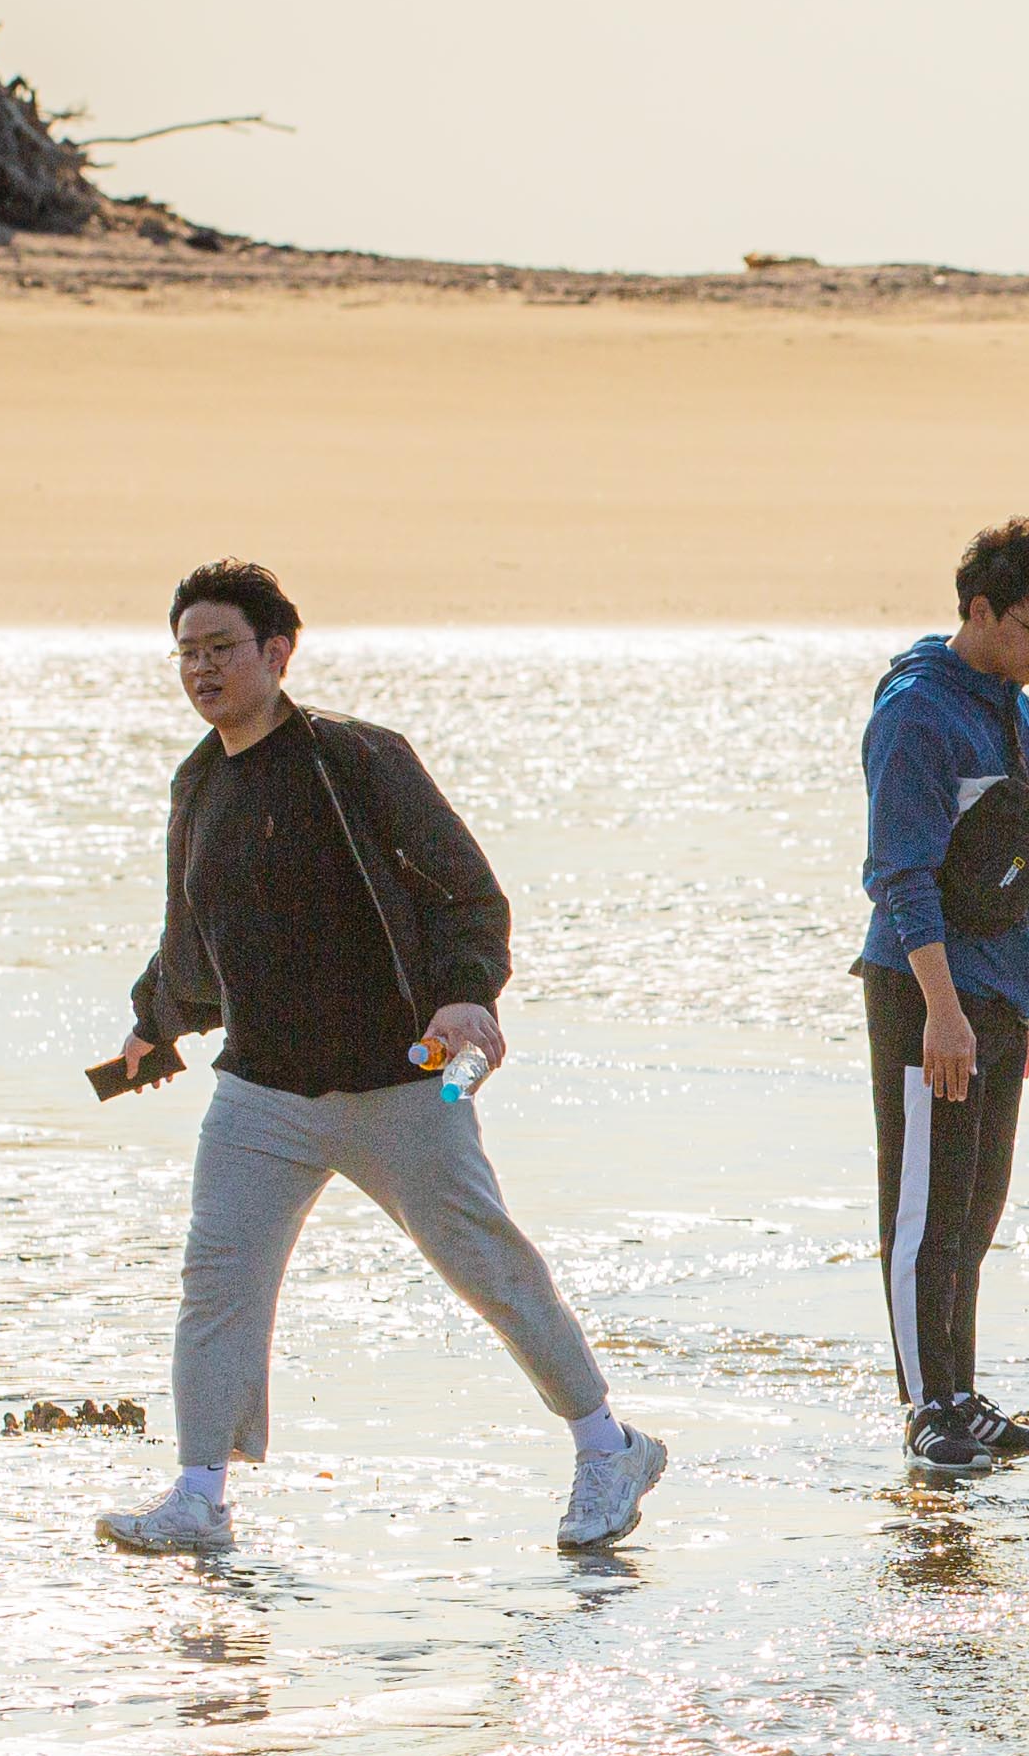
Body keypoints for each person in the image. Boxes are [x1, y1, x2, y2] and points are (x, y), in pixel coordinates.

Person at [97, 563, 664, 1559]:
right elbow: (196, 931)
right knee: (217, 1277)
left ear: (277, 652)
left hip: (402, 1078)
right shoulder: (197, 781)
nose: (200, 669)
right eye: (186, 651)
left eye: (219, 648)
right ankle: (198, 1498)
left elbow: (468, 894)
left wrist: (464, 993)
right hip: (261, 1088)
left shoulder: (356, 760)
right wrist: (155, 1021)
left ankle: (607, 1445)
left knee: (484, 1264)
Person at [860, 520, 1029, 1478]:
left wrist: (1028, 1001)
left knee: (976, 1213)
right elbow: (898, 874)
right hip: (928, 995)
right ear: (980, 611)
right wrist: (945, 1012)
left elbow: (1024, 863)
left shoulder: (1016, 707)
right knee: (924, 1213)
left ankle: (961, 1394)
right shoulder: (918, 713)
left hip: (996, 997)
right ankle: (926, 1410)